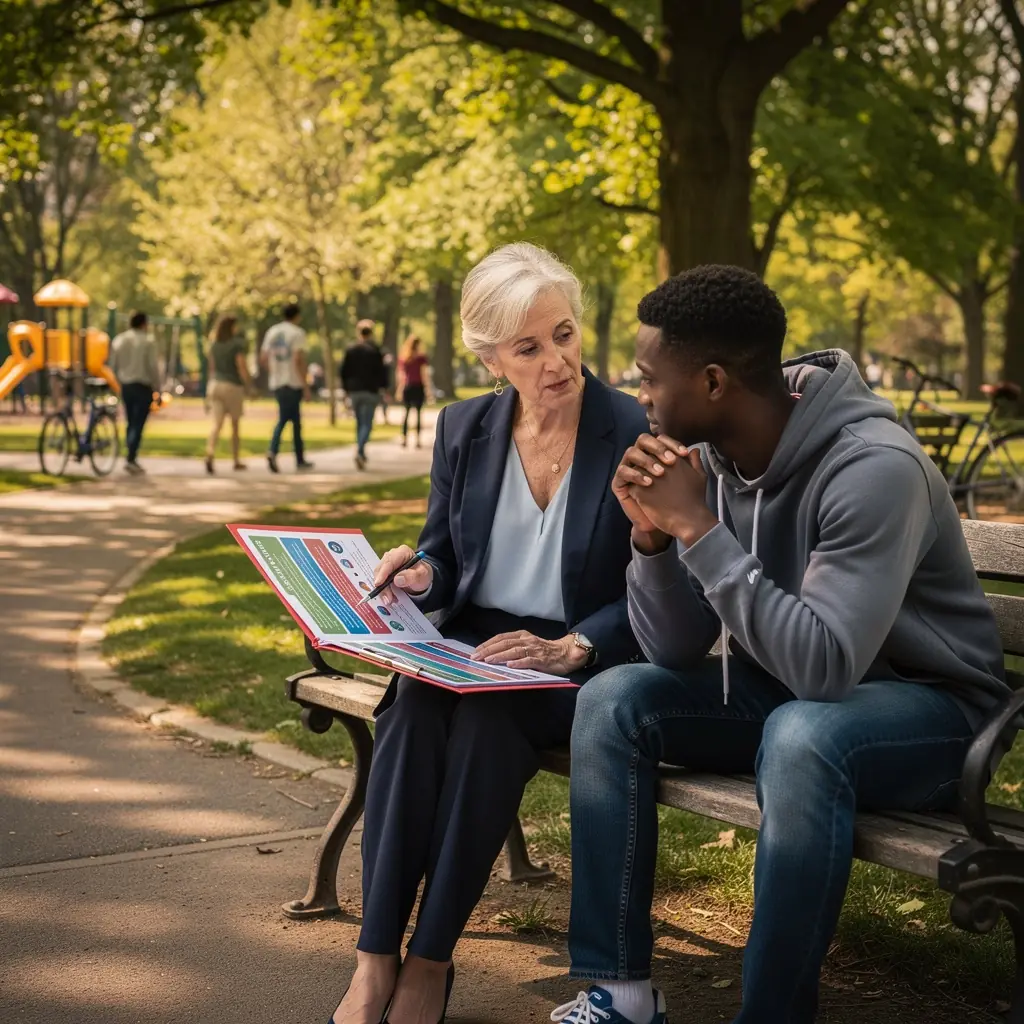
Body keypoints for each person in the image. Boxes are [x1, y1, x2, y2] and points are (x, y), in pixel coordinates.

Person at [551, 265, 1010, 1024]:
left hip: (933, 716)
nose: (640, 396)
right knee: (613, 698)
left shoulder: (874, 467)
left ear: (713, 382)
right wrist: (653, 540)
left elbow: (824, 669)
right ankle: (620, 994)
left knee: (803, 734)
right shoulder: (716, 459)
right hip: (792, 692)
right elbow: (673, 651)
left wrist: (699, 528)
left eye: (649, 378)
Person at [328, 242, 648, 1024]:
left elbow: (655, 584)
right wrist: (420, 574)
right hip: (472, 643)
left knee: (486, 725)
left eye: (564, 334)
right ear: (492, 359)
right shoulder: (463, 427)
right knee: (411, 709)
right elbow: (443, 553)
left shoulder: (632, 427)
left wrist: (572, 646)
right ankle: (374, 960)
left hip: (575, 653)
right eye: (528, 348)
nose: (556, 362)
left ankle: (430, 963)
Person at [261, 303, 314, 473]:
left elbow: (263, 357)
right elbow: (298, 360)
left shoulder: (272, 332)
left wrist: (274, 371)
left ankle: (300, 458)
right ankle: (273, 450)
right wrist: (305, 384)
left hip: (278, 381)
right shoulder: (297, 333)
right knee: (285, 419)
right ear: (297, 315)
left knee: (295, 421)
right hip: (292, 382)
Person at [110, 311, 160, 475]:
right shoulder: (148, 341)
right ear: (144, 323)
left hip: (126, 385)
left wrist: (119, 381)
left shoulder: (119, 340)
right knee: (138, 423)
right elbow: (152, 367)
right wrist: (158, 388)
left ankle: (130, 454)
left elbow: (113, 365)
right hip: (142, 386)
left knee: (131, 421)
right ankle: (131, 456)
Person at [204, 314, 252, 474]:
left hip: (215, 385)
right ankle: (236, 459)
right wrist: (249, 384)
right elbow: (241, 366)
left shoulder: (214, 345)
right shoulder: (236, 345)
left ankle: (210, 452)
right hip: (232, 386)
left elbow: (211, 368)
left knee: (216, 424)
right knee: (235, 425)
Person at [340, 318, 388, 470]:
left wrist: (345, 389)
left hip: (355, 391)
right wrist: (384, 388)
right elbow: (382, 372)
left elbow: (343, 371)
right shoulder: (375, 351)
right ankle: (360, 450)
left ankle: (360, 449)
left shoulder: (351, 350)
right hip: (370, 390)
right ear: (371, 333)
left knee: (360, 422)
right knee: (367, 423)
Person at [397, 334, 430, 448]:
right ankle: (418, 440)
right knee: (418, 414)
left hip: (408, 387)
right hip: (418, 386)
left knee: (406, 413)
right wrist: (428, 389)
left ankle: (404, 439)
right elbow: (424, 374)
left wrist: (399, 389)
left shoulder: (404, 357)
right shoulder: (421, 358)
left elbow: (401, 376)